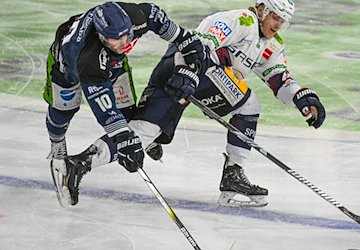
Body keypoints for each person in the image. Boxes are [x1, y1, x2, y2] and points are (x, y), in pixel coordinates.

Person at [65, 0, 326, 207]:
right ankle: (233, 173)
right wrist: (188, 71)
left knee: (145, 130)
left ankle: (79, 163)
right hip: (183, 68)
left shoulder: (272, 45)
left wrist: (302, 97)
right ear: (261, 9)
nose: (278, 24)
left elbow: (279, 79)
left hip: (189, 76)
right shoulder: (240, 20)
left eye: (283, 20)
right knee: (248, 106)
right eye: (274, 16)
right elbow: (197, 43)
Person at [44, 1, 208, 207]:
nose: (124, 43)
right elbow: (107, 112)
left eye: (127, 36)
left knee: (129, 113)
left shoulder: (143, 15)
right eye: (116, 40)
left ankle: (140, 137)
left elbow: (185, 39)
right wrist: (123, 139)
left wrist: (192, 67)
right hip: (67, 69)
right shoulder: (88, 60)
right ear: (101, 37)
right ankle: (58, 148)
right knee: (63, 111)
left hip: (112, 64)